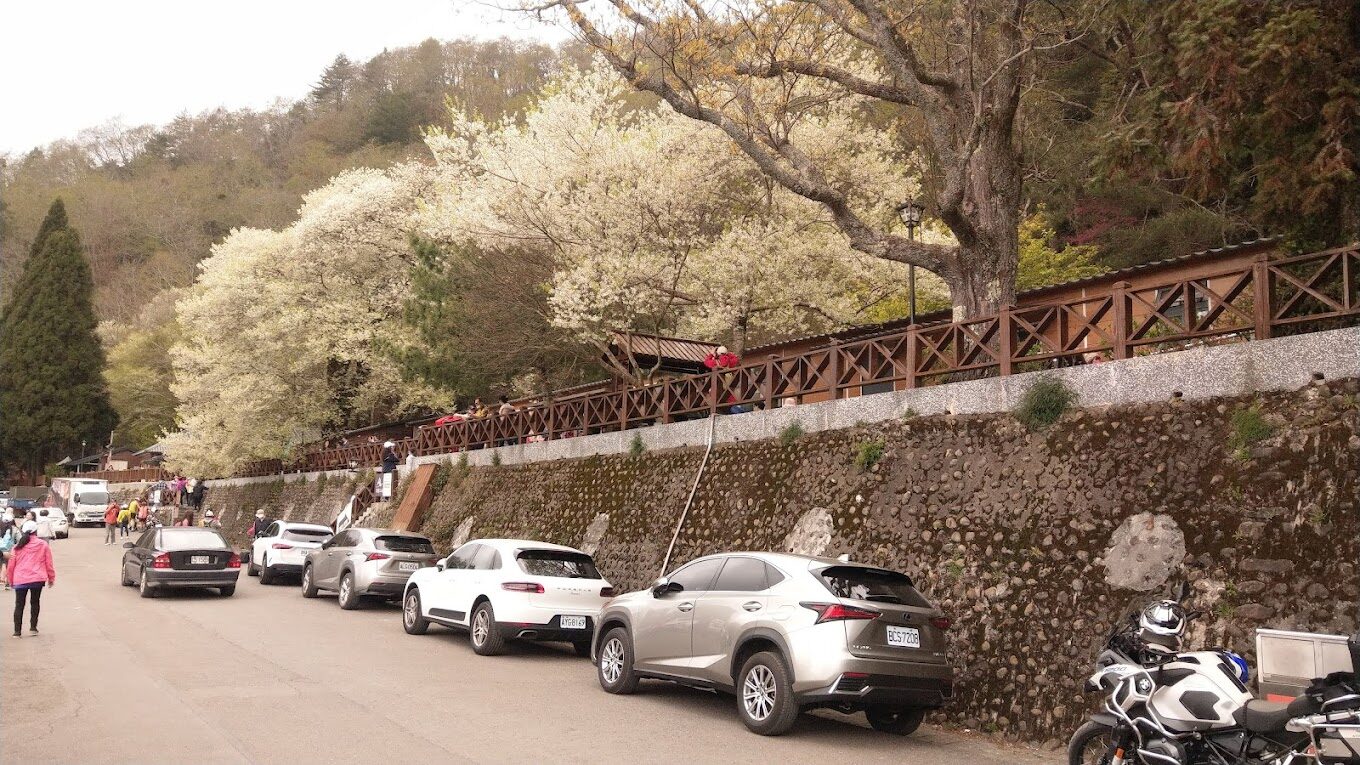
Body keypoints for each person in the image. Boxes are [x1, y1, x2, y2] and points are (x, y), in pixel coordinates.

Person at [8, 520, 56, 637]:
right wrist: (51, 578)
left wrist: (10, 580)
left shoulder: (17, 547)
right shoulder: (43, 544)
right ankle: (33, 628)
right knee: (35, 602)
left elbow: (11, 566)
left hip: (20, 579)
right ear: (35, 531)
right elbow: (48, 563)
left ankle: (17, 632)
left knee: (19, 604)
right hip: (37, 579)